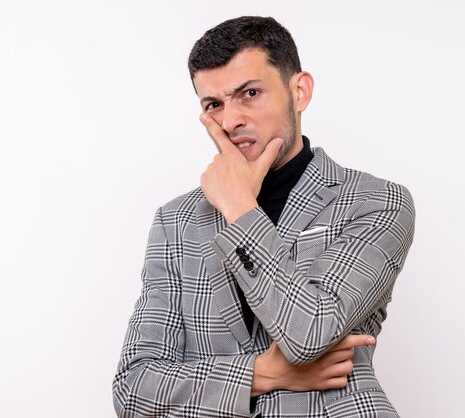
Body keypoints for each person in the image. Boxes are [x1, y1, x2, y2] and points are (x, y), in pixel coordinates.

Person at [112, 16, 414, 418]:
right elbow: (133, 390)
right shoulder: (176, 222)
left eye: (250, 93)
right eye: (213, 104)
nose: (231, 120)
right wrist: (261, 374)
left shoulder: (375, 201)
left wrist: (238, 207)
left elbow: (308, 332)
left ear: (299, 91)